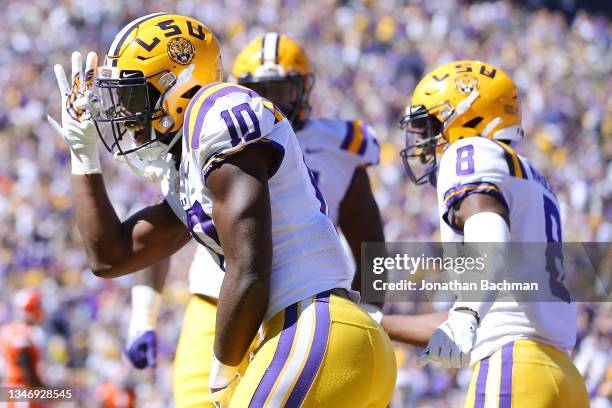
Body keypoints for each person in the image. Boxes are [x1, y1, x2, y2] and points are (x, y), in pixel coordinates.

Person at [47, 14, 396, 407]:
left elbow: (249, 270)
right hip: (321, 338)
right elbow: (110, 256)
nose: (125, 116)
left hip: (314, 327)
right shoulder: (190, 157)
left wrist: (221, 376)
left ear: (176, 85)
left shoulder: (218, 110)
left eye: (131, 97)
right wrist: (83, 157)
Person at [398, 60, 588, 407]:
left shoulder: (468, 151)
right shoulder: (532, 178)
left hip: (513, 366)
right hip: (563, 375)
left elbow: (489, 235)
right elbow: (492, 308)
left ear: (465, 116)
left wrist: (467, 314)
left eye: (431, 125)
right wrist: (377, 320)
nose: (425, 144)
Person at [0, 289, 45, 408]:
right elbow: (24, 363)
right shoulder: (26, 333)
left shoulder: (6, 330)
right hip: (23, 392)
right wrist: (42, 389)